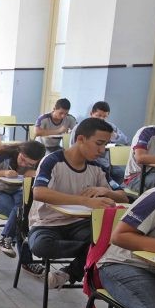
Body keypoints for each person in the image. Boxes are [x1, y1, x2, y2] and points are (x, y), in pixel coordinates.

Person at [28, 118, 128, 286]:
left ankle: (68, 273)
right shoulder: (52, 161)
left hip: (80, 224)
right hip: (47, 223)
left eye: (105, 145)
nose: (102, 150)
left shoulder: (98, 168)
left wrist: (106, 191)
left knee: (109, 239)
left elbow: (123, 196)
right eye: (99, 143)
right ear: (81, 139)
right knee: (42, 246)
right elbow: (39, 192)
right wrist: (84, 201)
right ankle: (90, 252)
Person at [0, 141, 46, 257]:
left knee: (23, 209)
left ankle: (6, 240)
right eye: (23, 159)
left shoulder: (40, 162)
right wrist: (4, 172)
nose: (24, 164)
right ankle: (26, 260)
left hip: (17, 192)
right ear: (20, 151)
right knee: (21, 217)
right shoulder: (5, 154)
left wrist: (36, 172)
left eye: (30, 164)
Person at [86, 101, 129, 184]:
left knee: (120, 174)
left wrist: (115, 136)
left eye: (105, 116)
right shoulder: (83, 127)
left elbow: (126, 141)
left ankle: (112, 193)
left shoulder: (110, 127)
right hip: (89, 161)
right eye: (98, 116)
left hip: (107, 162)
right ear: (91, 114)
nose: (102, 119)